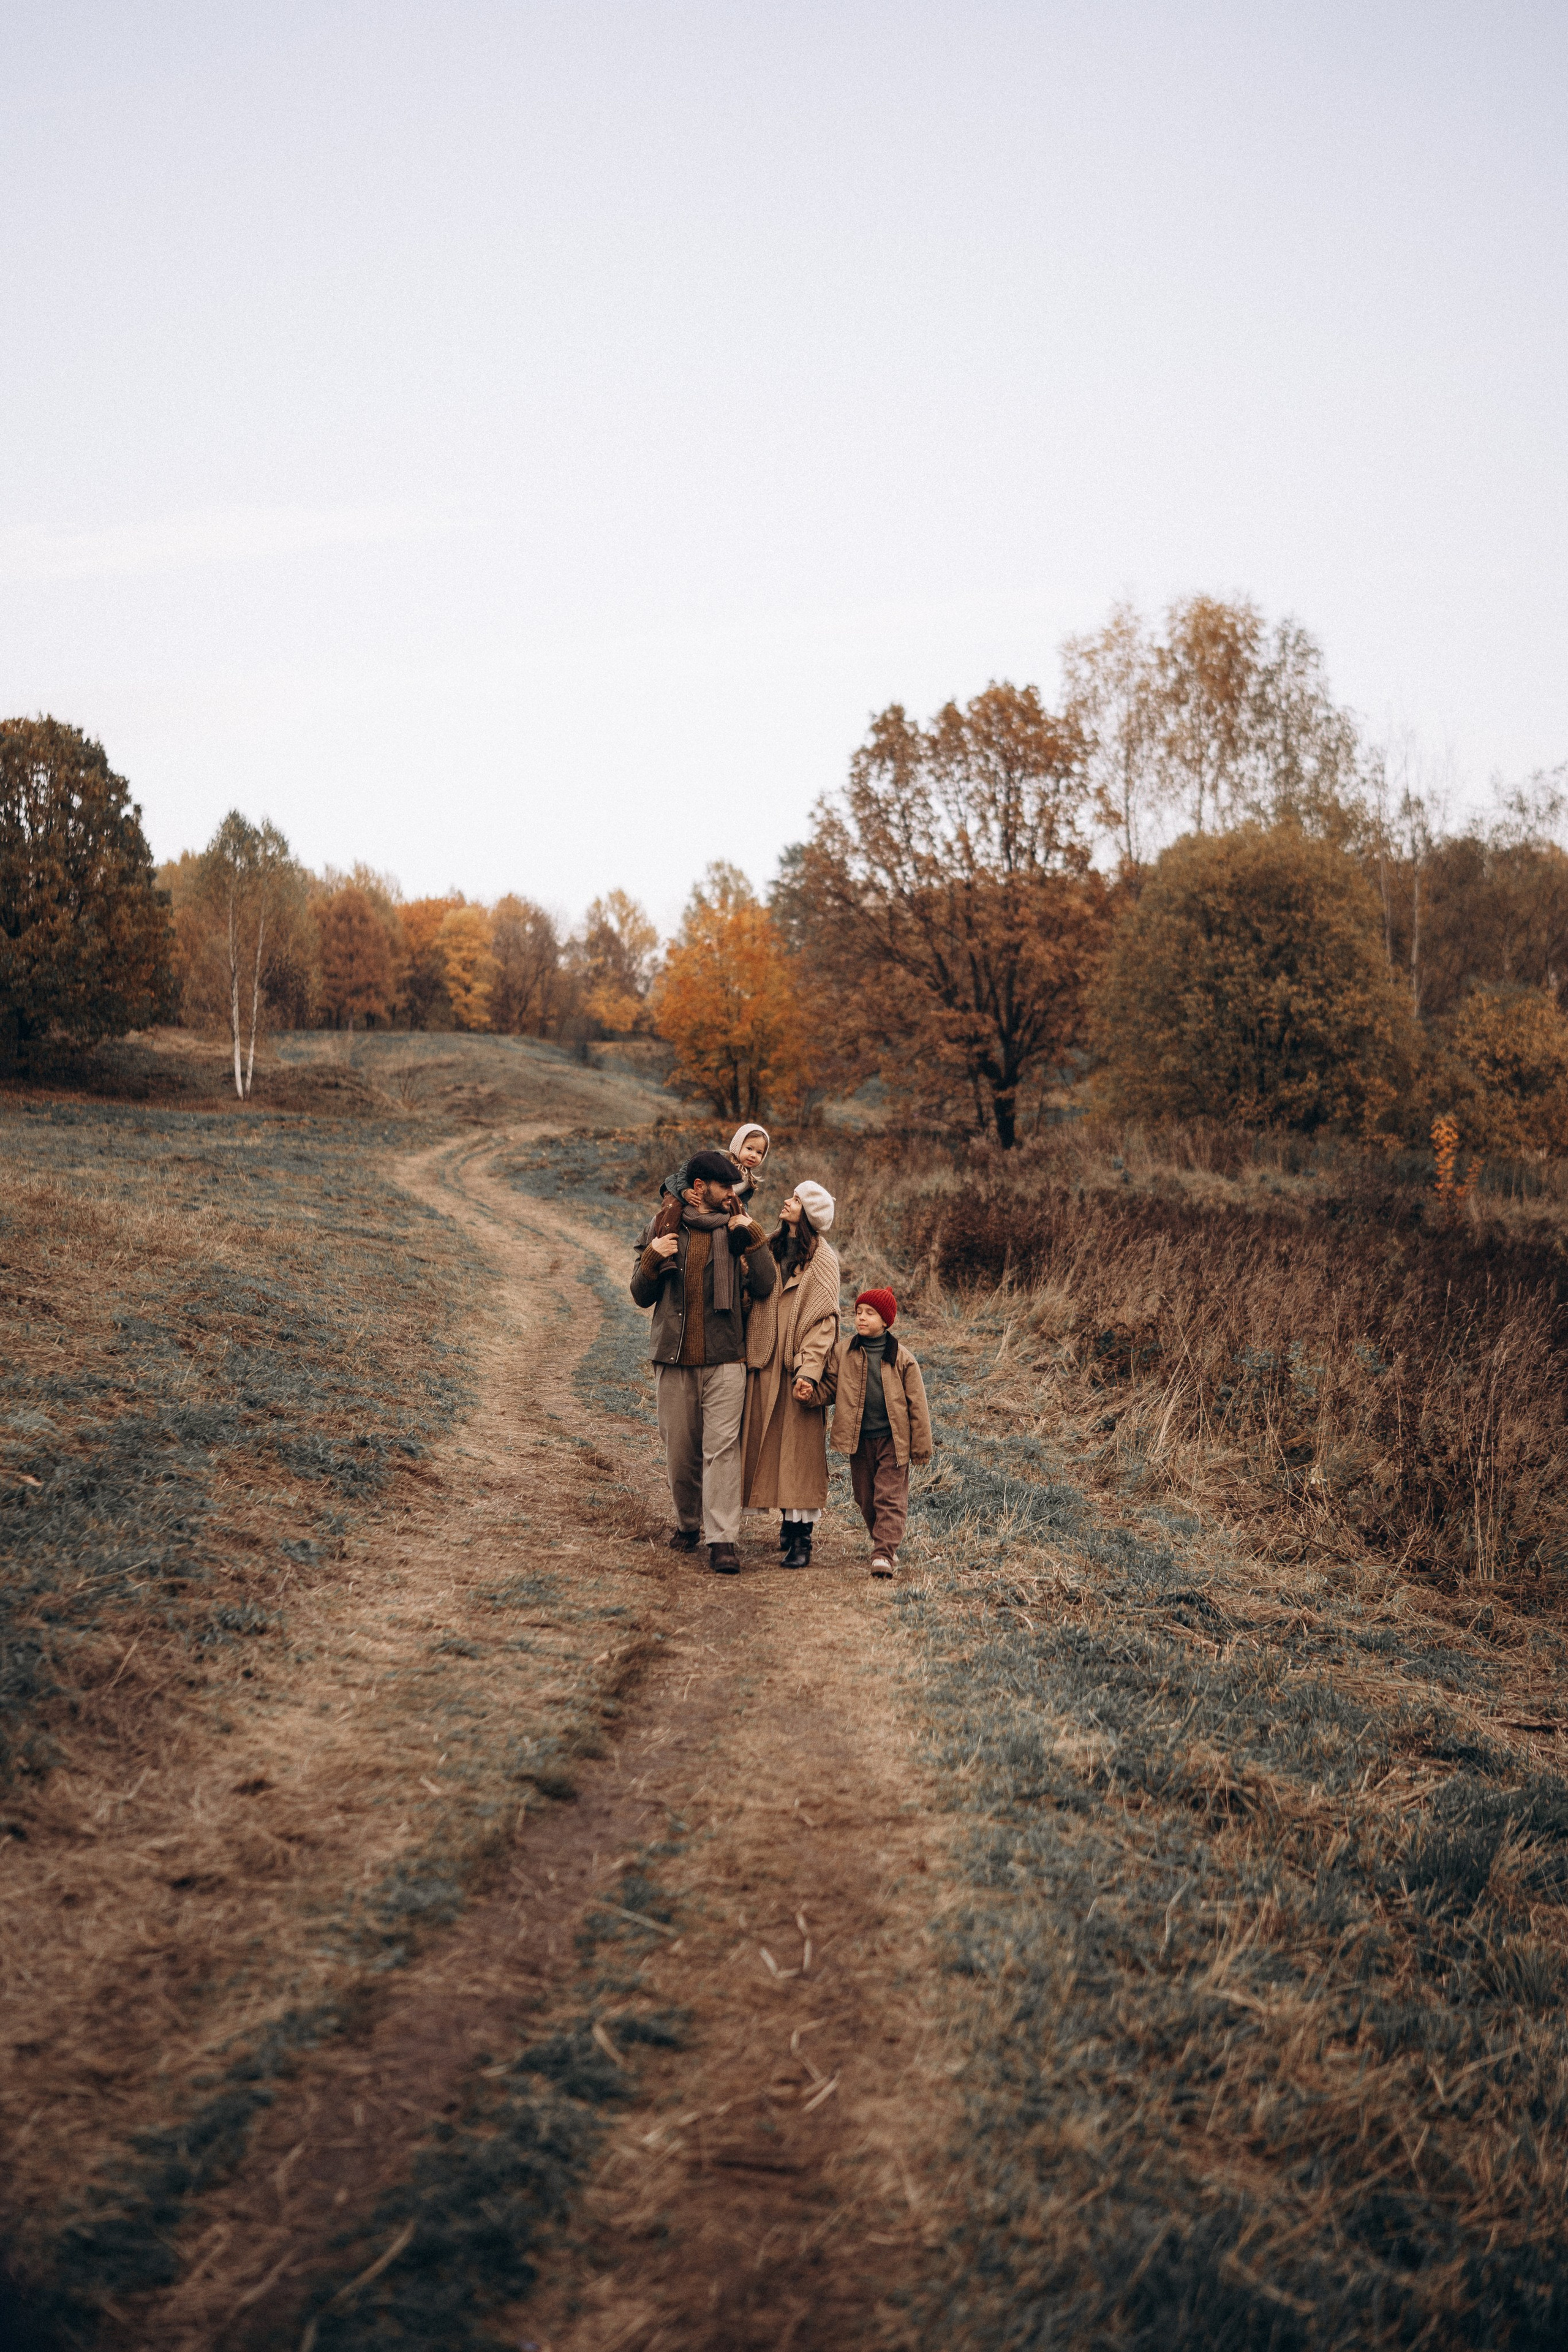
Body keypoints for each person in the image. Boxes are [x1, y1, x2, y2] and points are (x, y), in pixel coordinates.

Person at [630, 1150, 778, 1575]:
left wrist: (754, 1235)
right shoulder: (663, 1226)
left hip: (726, 1356)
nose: (733, 1194)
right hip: (675, 1359)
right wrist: (652, 1258)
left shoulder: (737, 1227)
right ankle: (688, 1524)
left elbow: (766, 1284)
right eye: (724, 1187)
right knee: (680, 1451)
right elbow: (641, 1295)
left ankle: (723, 1539)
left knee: (722, 1451)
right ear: (699, 1189)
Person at [741, 1180, 840, 1569]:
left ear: (810, 1213)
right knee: (767, 1449)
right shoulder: (770, 1245)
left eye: (796, 1199)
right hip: (764, 1364)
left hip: (797, 1370)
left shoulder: (823, 1260)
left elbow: (824, 1325)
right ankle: (785, 1523)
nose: (787, 1201)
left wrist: (810, 1373)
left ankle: (801, 1540)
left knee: (799, 1455)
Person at [816, 1287, 933, 1578]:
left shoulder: (902, 1358)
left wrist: (920, 1447)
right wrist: (811, 1394)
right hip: (859, 1439)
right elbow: (831, 1387)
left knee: (889, 1497)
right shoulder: (844, 1351)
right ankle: (883, 1542)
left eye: (870, 1313)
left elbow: (918, 1406)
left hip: (894, 1441)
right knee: (866, 1498)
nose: (861, 1318)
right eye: (858, 1313)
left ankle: (883, 1553)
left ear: (886, 1320)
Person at [727, 1125, 771, 1217]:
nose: (754, 1155)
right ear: (738, 1146)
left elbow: (743, 1201)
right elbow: (689, 1167)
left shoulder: (750, 1180)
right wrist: (687, 1191)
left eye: (759, 1152)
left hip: (725, 1212)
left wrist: (744, 1212)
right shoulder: (722, 1160)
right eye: (749, 1149)